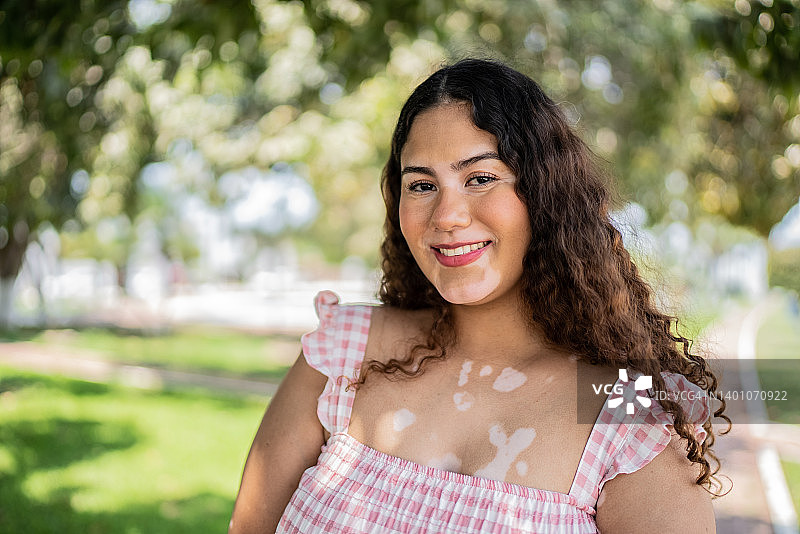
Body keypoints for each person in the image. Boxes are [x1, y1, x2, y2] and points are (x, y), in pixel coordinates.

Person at [229, 58, 726, 533]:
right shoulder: (343, 353)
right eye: (421, 185)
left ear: (545, 194)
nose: (446, 215)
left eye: (481, 178)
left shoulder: (628, 414)